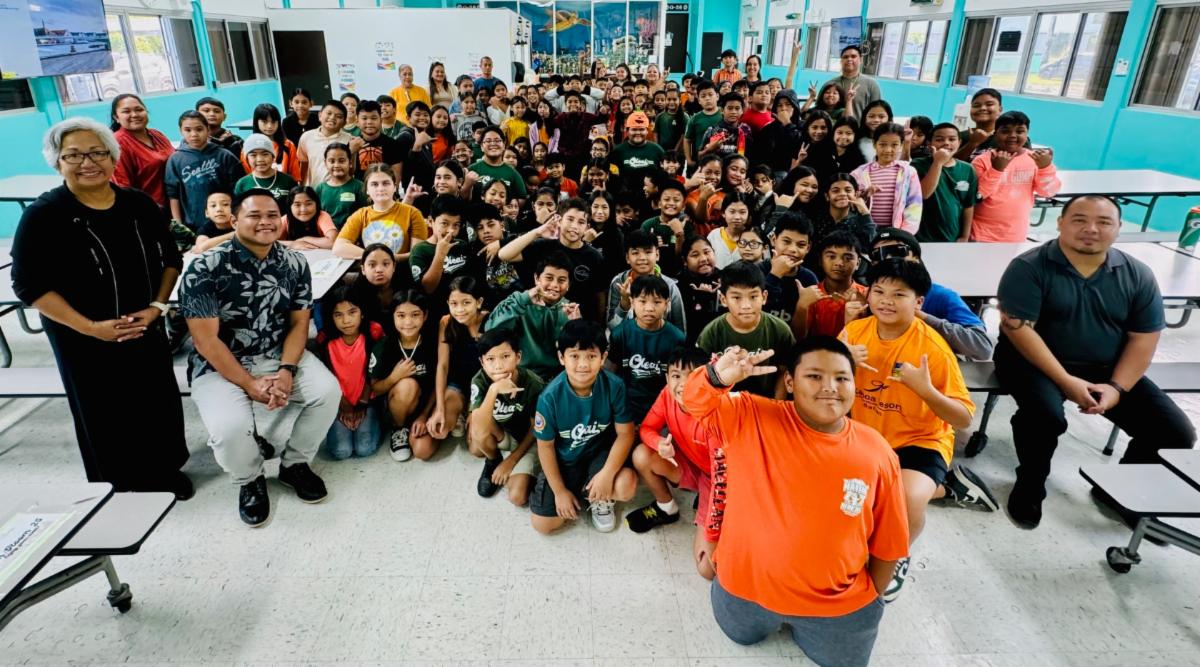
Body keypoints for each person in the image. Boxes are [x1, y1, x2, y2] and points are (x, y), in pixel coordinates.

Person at [682, 338, 909, 666]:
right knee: (738, 635)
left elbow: (889, 543)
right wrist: (717, 377)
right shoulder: (749, 415)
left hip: (839, 607)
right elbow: (694, 402)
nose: (830, 387)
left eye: (842, 378)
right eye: (814, 376)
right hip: (743, 592)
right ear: (789, 381)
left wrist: (870, 598)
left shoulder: (877, 452)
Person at [13, 116, 190, 498]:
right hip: (83, 336)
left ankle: (166, 470)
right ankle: (121, 481)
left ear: (113, 158)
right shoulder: (44, 215)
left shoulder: (138, 204)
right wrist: (91, 327)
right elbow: (28, 285)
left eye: (97, 152)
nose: (87, 162)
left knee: (155, 399)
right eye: (73, 155)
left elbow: (171, 258)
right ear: (57, 162)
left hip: (144, 324)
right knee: (102, 408)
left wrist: (158, 306)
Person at [995, 195, 1197, 529]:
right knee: (1044, 416)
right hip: (1031, 362)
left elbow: (1143, 337)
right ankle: (1030, 484)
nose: (1090, 229)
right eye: (1079, 219)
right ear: (1060, 223)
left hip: (1105, 366)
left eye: (1104, 222)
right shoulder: (1029, 267)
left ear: (1119, 228)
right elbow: (1020, 332)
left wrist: (1117, 387)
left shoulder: (1137, 274)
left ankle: (1120, 493)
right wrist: (1065, 381)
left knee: (1174, 431)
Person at [180, 189, 341, 526]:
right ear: (234, 219)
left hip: (276, 353)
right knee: (229, 429)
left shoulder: (294, 262)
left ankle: (294, 464)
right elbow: (205, 340)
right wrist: (249, 383)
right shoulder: (204, 267)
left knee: (327, 393)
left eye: (272, 215)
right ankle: (249, 478)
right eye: (254, 215)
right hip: (219, 364)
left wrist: (286, 370)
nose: (265, 222)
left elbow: (299, 324)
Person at [840, 259, 996, 600]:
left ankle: (897, 554)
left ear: (919, 302)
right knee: (849, 498)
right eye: (878, 291)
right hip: (866, 435)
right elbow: (826, 388)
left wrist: (925, 390)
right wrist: (841, 362)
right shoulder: (853, 333)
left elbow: (963, 418)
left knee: (906, 499)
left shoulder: (934, 349)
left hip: (920, 440)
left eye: (899, 294)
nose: (886, 300)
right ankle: (951, 487)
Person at [530, 319, 638, 534]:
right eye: (574, 356)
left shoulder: (614, 386)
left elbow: (626, 434)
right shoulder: (549, 397)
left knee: (626, 486)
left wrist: (607, 474)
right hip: (566, 459)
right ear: (561, 357)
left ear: (603, 358)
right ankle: (578, 489)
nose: (583, 364)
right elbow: (545, 447)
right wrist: (560, 491)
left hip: (600, 453)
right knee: (543, 525)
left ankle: (598, 496)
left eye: (591, 356)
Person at [625, 348, 725, 580]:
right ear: (667, 378)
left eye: (692, 375)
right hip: (691, 465)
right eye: (676, 375)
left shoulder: (716, 412)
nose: (682, 383)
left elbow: (723, 480)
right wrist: (659, 443)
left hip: (720, 481)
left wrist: (711, 525)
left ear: (705, 379)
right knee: (642, 455)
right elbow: (647, 428)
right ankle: (666, 508)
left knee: (707, 569)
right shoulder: (667, 395)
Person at [868, 229, 994, 361]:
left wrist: (924, 318)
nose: (888, 259)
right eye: (878, 255)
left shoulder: (941, 296)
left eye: (897, 251)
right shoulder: (869, 297)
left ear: (916, 258)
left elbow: (982, 347)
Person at [469, 326, 547, 504]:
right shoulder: (479, 380)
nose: (498, 365)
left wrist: (511, 461)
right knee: (476, 442)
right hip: (501, 432)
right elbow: (478, 427)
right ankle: (493, 460)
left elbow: (536, 428)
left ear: (518, 357)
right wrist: (494, 389)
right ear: (482, 362)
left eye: (505, 357)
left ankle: (529, 467)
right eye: (490, 359)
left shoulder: (533, 383)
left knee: (518, 497)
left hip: (526, 438)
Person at [696, 261, 794, 399]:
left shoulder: (780, 330)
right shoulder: (711, 333)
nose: (746, 305)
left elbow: (784, 372)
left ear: (764, 297)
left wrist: (776, 407)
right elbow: (702, 379)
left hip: (766, 406)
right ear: (724, 299)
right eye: (736, 297)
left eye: (753, 296)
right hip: (724, 407)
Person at [499, 198, 606, 321]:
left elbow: (600, 295)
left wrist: (598, 323)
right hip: (538, 318)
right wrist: (537, 232)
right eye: (570, 219)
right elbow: (504, 254)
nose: (574, 226)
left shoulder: (594, 257)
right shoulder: (543, 245)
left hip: (574, 322)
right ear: (559, 220)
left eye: (581, 222)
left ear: (587, 226)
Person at [485, 252, 581, 381]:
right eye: (549, 278)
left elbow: (577, 354)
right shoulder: (519, 302)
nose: (554, 285)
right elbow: (491, 330)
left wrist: (576, 326)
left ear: (568, 284)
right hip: (519, 375)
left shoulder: (571, 310)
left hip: (557, 378)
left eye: (562, 280)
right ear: (537, 279)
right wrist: (524, 299)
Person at [316, 284, 385, 461]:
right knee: (341, 451)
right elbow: (324, 377)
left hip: (367, 400)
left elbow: (378, 370)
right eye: (338, 315)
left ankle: (376, 420)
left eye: (352, 312)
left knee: (365, 448)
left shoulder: (373, 331)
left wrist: (362, 403)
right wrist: (342, 405)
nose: (346, 321)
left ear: (362, 312)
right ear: (331, 317)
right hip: (339, 402)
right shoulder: (325, 340)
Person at [606, 274, 686, 423]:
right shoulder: (620, 334)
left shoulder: (676, 338)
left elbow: (679, 380)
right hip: (626, 406)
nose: (649, 308)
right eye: (642, 301)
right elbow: (609, 374)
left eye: (657, 302)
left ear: (667, 304)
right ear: (632, 302)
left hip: (662, 408)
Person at [369, 290, 438, 462]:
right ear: (393, 316)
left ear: (425, 315)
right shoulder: (384, 346)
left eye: (415, 315)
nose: (408, 322)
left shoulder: (432, 344)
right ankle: (399, 429)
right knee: (408, 384)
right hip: (396, 406)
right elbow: (374, 389)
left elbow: (439, 383)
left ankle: (426, 427)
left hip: (425, 405)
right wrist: (394, 377)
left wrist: (424, 415)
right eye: (401, 315)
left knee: (423, 451)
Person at [971, 111, 1060, 243]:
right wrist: (996, 170)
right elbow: (977, 197)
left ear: (1027, 134)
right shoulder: (981, 161)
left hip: (1015, 234)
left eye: (1019, 131)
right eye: (1005, 131)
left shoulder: (1034, 160)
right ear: (995, 134)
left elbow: (1048, 192)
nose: (1012, 136)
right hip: (981, 233)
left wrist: (1045, 168)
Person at [426, 276, 488, 457]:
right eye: (454, 303)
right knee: (442, 428)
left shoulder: (490, 321)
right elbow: (443, 366)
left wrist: (475, 409)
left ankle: (469, 409)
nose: (459, 310)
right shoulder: (446, 322)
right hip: (457, 384)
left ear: (479, 302)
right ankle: (458, 409)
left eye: (466, 302)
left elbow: (493, 371)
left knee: (476, 449)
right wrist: (439, 408)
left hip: (483, 387)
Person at [165, 111, 243, 231]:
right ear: (181, 131)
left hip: (228, 222)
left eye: (199, 129)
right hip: (195, 225)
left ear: (208, 129)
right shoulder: (175, 160)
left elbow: (238, 190)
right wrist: (179, 226)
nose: (194, 134)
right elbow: (173, 195)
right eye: (188, 130)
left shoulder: (225, 155)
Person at [334, 163, 428, 261]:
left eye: (386, 183)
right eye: (374, 184)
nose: (380, 188)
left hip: (402, 272)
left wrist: (391, 258)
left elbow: (418, 254)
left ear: (394, 187)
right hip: (370, 273)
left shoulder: (413, 213)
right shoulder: (361, 215)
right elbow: (338, 247)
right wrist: (375, 255)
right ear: (367, 190)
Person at [606, 229, 686, 331]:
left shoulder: (669, 286)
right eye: (635, 253)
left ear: (657, 255)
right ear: (627, 257)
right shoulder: (620, 282)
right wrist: (624, 304)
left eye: (648, 252)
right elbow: (612, 327)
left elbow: (680, 329)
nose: (642, 258)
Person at [850, 123, 922, 234]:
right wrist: (864, 195)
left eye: (894, 145)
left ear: (901, 145)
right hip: (865, 230)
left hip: (896, 232)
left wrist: (905, 233)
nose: (888, 150)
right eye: (883, 144)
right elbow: (852, 202)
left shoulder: (908, 172)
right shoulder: (859, 173)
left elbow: (914, 205)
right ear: (874, 144)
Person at [913, 123, 977, 242]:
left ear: (959, 142)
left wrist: (964, 236)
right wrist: (938, 162)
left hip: (951, 236)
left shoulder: (968, 169)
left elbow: (968, 206)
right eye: (939, 139)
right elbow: (924, 194)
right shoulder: (917, 165)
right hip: (921, 237)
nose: (946, 143)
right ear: (929, 143)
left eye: (952, 139)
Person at [797, 229, 866, 338]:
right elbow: (797, 339)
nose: (839, 263)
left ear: (858, 263)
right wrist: (801, 306)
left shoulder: (867, 295)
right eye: (831, 256)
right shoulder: (811, 295)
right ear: (820, 260)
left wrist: (865, 311)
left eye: (847, 258)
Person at [409, 195, 476, 308]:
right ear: (431, 221)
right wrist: (440, 253)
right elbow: (427, 288)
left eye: (456, 225)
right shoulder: (420, 250)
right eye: (444, 223)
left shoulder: (463, 245)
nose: (450, 231)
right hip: (436, 308)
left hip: (464, 306)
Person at [110, 94, 174, 209]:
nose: (134, 115)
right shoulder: (118, 143)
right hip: (150, 210)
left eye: (139, 109)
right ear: (116, 117)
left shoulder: (157, 135)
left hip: (175, 207)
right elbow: (122, 187)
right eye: (126, 111)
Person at [297, 100, 355, 187]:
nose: (332, 117)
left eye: (338, 116)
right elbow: (304, 163)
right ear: (320, 115)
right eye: (329, 113)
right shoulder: (306, 137)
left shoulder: (349, 139)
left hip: (340, 190)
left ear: (344, 123)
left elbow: (351, 170)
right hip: (314, 191)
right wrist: (301, 186)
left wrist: (352, 150)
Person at [609, 111, 665, 195]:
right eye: (634, 129)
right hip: (626, 199)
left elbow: (664, 176)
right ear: (627, 130)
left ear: (647, 131)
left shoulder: (657, 150)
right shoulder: (618, 151)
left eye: (642, 129)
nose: (638, 133)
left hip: (652, 198)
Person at [467, 126, 529, 202]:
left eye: (497, 140)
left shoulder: (513, 173)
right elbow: (462, 197)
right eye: (488, 141)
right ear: (481, 146)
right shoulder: (472, 170)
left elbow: (522, 198)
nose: (493, 144)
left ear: (504, 145)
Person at [235, 133, 298, 208]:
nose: (260, 160)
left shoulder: (288, 181)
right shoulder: (242, 184)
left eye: (265, 154)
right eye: (253, 155)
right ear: (247, 159)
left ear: (273, 157)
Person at [241, 103, 301, 180]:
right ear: (256, 122)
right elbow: (246, 176)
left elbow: (295, 177)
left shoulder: (288, 145)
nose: (269, 126)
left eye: (273, 122)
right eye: (265, 122)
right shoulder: (247, 146)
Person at [314, 143, 368, 229]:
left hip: (352, 236)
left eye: (342, 161)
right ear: (325, 163)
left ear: (350, 162)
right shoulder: (320, 189)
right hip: (326, 236)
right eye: (332, 161)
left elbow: (366, 215)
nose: (336, 165)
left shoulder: (359, 187)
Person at [349, 100, 403, 183]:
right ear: (357, 122)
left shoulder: (393, 144)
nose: (369, 122)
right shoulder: (352, 145)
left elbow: (396, 175)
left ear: (381, 120)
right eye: (364, 118)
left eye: (374, 118)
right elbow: (349, 173)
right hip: (360, 193)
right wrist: (352, 152)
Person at [823, 45, 881, 119]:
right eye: (845, 57)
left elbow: (877, 111)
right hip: (836, 129)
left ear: (861, 60)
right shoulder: (830, 84)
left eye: (853, 56)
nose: (849, 59)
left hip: (861, 129)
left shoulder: (871, 84)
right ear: (841, 61)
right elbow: (819, 109)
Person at [280, 185, 337, 250]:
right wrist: (293, 244)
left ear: (316, 204)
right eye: (297, 205)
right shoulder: (286, 219)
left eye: (308, 204)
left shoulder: (322, 216)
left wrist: (304, 239)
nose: (303, 209)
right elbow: (268, 242)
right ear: (290, 207)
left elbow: (333, 242)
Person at [699, 94, 752, 158]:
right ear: (722, 110)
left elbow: (749, 156)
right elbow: (699, 156)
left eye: (737, 108)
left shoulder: (745, 130)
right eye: (730, 108)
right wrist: (709, 149)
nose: (733, 112)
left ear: (742, 111)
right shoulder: (712, 130)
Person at [682, 80, 721, 166]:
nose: (707, 98)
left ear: (717, 96)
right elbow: (687, 140)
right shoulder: (694, 119)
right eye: (703, 96)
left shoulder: (724, 114)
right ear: (699, 100)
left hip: (722, 160)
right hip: (701, 161)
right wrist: (688, 160)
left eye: (710, 95)